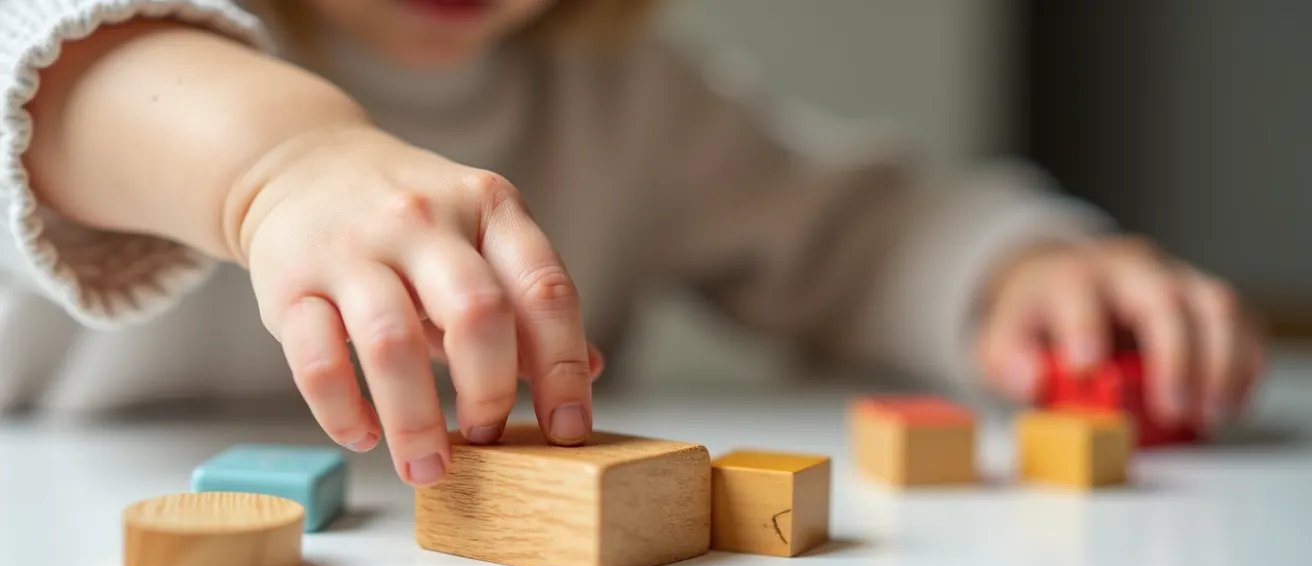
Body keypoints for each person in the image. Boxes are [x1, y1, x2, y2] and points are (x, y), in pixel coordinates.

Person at [0, 0, 1263, 486]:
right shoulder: (124, 36)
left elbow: (858, 232)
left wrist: (1022, 277)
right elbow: (64, 84)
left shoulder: (632, 99)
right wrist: (277, 167)